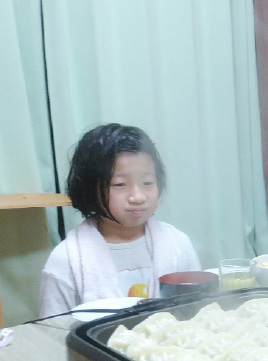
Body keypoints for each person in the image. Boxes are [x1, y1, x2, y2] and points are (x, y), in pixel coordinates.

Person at [39, 123, 201, 317]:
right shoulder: (66, 260)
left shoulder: (177, 244)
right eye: (120, 184)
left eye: (147, 182)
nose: (137, 196)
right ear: (90, 188)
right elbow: (52, 331)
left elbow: (198, 310)